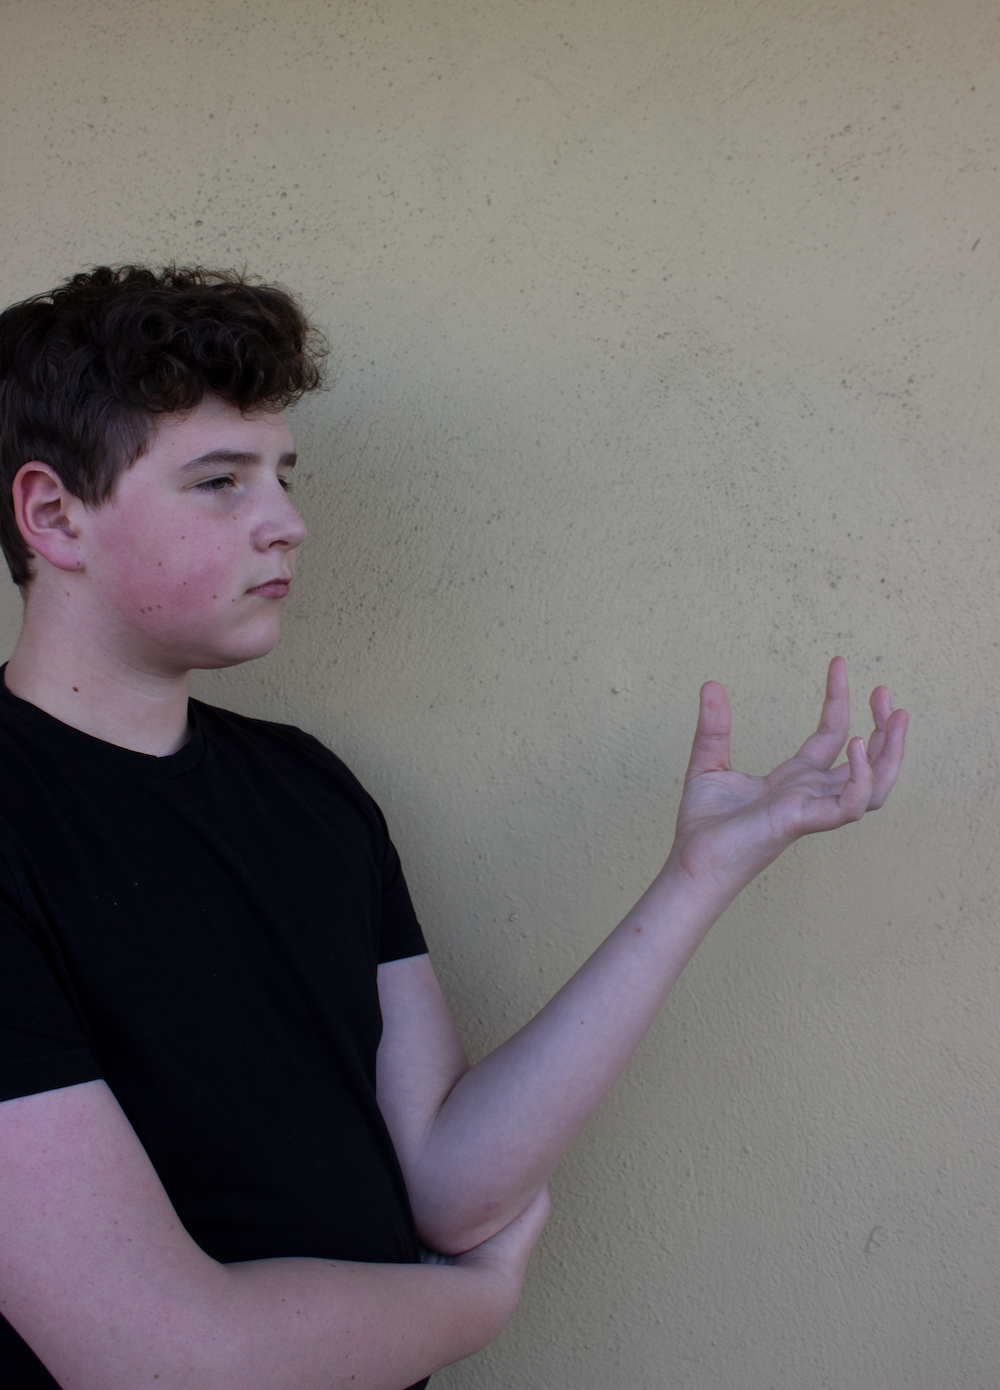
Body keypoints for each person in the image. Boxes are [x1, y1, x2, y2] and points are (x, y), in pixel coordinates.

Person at [0, 265, 908, 1390]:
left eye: (283, 475)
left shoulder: (310, 791)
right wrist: (473, 1305)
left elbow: (445, 1181)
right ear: (54, 516)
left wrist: (699, 876)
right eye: (222, 482)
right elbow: (157, 1358)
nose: (287, 523)